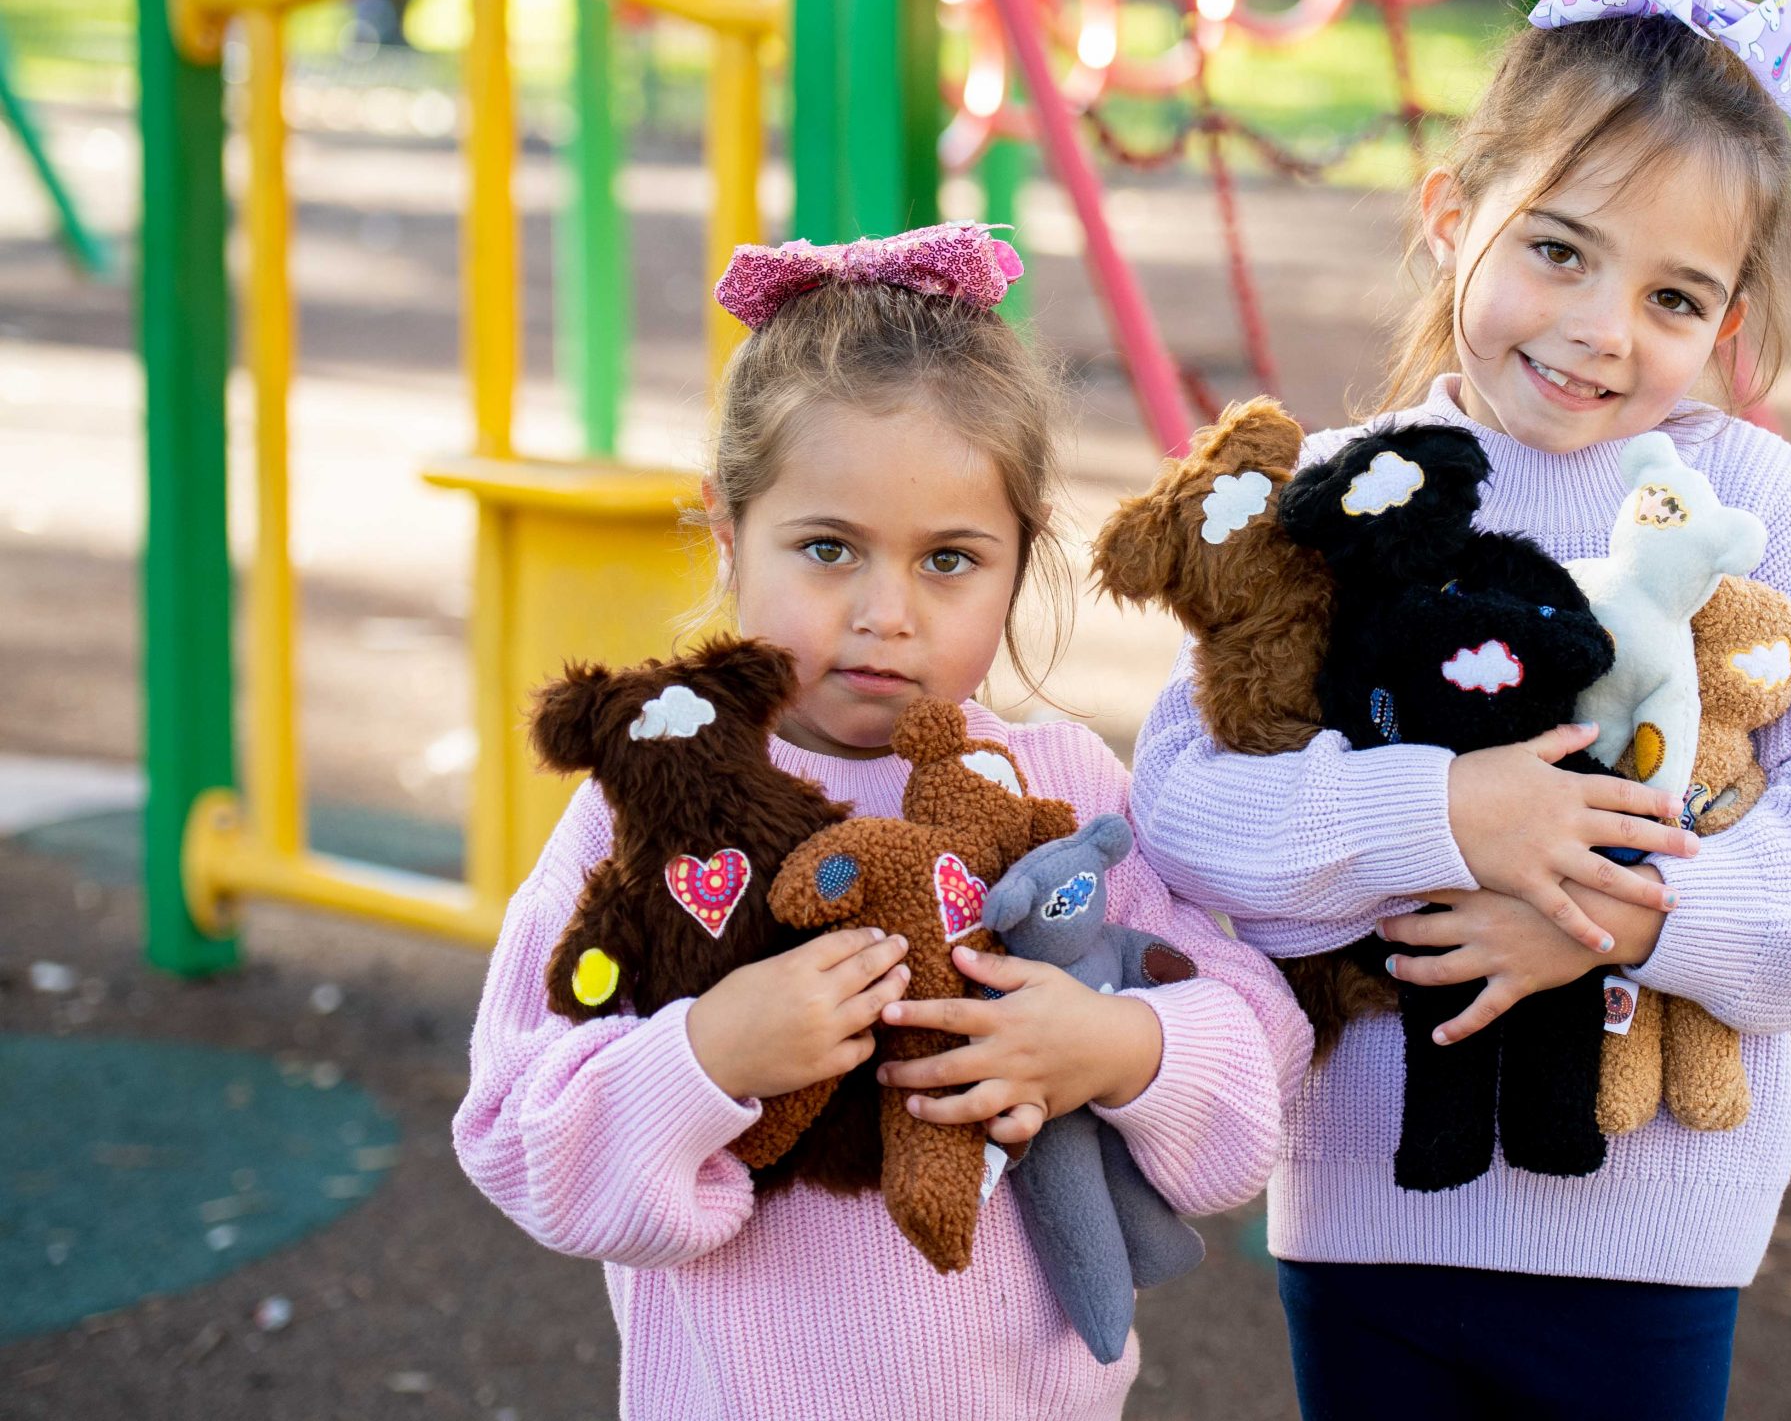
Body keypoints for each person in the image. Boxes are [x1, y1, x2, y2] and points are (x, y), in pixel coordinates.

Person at [1131, 0, 1791, 1419]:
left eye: (1672, 297)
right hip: (1371, 1218)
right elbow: (1183, 803)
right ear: (1452, 216)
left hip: (1651, 1236)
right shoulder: (1349, 492)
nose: (1598, 331)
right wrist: (1441, 815)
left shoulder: (1744, 500)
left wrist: (1627, 910)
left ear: (1728, 318)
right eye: (1558, 250)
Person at [455, 223, 1309, 1419]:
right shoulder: (651, 806)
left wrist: (1114, 1047)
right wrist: (708, 1054)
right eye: (827, 548)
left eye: (949, 559)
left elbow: (1259, 1039)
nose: (885, 613)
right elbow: (513, 1127)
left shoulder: (1057, 788)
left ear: (1021, 559)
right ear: (726, 532)